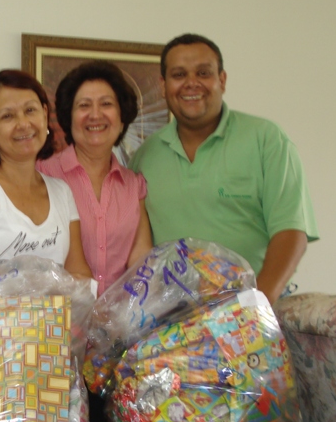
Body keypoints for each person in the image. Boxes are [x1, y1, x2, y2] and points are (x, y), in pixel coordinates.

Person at [36, 60, 153, 422]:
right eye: (83, 105)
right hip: (60, 342)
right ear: (67, 117)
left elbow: (141, 262)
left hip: (117, 346)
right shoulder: (44, 175)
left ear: (121, 117)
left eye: (106, 104)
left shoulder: (135, 184)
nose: (95, 114)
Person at [129, 33, 319, 304]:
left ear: (222, 80)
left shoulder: (266, 139)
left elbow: (291, 233)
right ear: (163, 85)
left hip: (250, 312)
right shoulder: (145, 157)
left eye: (203, 72)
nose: (191, 83)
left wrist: (255, 307)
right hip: (170, 321)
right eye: (179, 74)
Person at [0, 69, 92, 290]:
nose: (23, 123)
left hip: (54, 324)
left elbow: (80, 275)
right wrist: (47, 287)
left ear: (44, 114)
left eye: (30, 110)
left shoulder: (62, 192)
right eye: (7, 116)